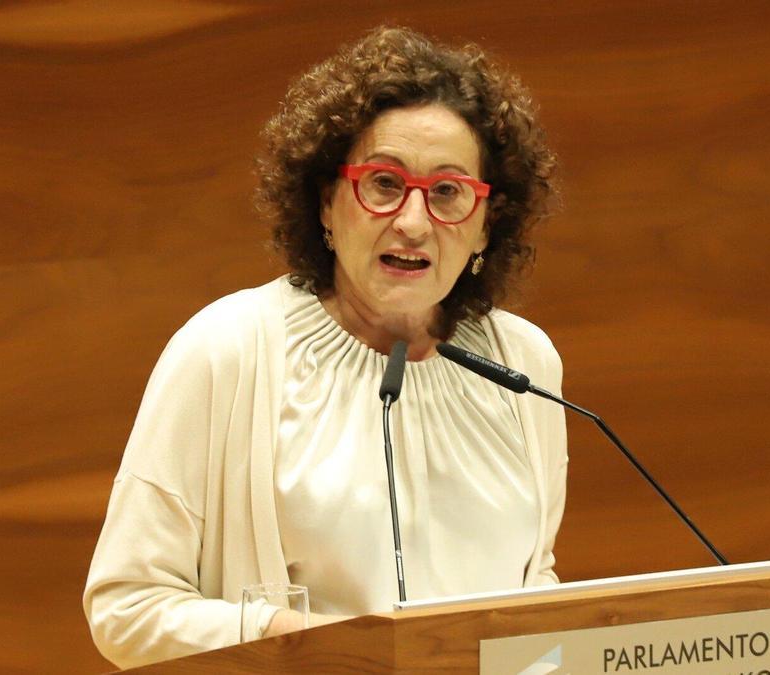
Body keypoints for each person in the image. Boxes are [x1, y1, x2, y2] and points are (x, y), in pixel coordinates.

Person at [83, 26, 567, 669]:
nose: (414, 222)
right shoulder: (227, 351)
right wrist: (315, 645)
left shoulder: (524, 365)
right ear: (326, 204)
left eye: (448, 193)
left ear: (486, 224)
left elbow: (534, 588)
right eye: (384, 184)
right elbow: (128, 607)